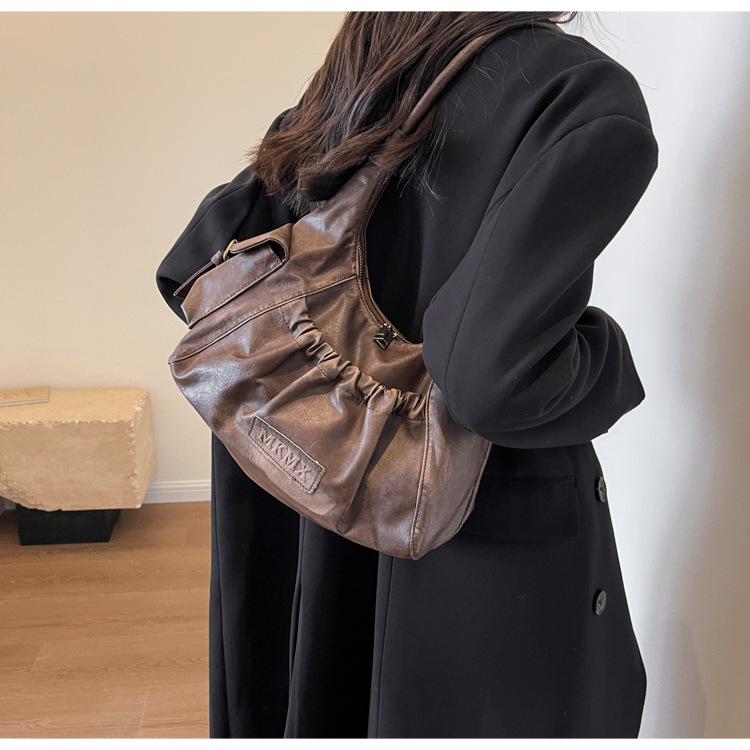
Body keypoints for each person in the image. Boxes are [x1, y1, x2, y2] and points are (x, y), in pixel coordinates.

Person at [156, 11, 658, 739]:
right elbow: (490, 380)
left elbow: (195, 264)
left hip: (296, 510)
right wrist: (609, 363)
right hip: (469, 554)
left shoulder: (368, 66)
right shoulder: (574, 91)